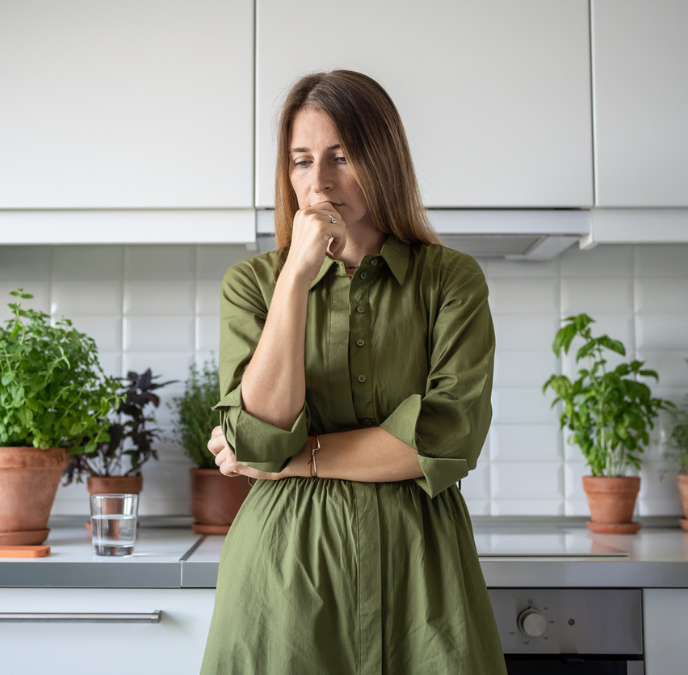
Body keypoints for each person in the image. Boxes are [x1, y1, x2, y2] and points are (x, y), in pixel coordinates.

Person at [199, 70, 505, 675]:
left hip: (423, 573)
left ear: (383, 158)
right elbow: (259, 434)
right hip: (286, 574)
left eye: (342, 156)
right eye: (302, 161)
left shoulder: (450, 279)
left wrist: (295, 459)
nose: (320, 182)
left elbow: (447, 437)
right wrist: (296, 275)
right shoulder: (253, 285)